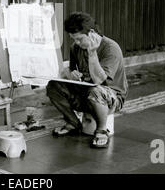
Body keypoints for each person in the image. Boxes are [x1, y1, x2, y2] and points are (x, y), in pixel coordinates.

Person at [46, 12, 128, 148]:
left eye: (79, 39)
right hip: (86, 93)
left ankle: (102, 130)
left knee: (96, 91)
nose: (76, 43)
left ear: (91, 33)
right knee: (53, 86)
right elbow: (73, 72)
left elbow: (99, 80)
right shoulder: (75, 48)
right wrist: (71, 74)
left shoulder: (111, 48)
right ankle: (73, 122)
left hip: (111, 97)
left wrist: (92, 53)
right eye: (73, 39)